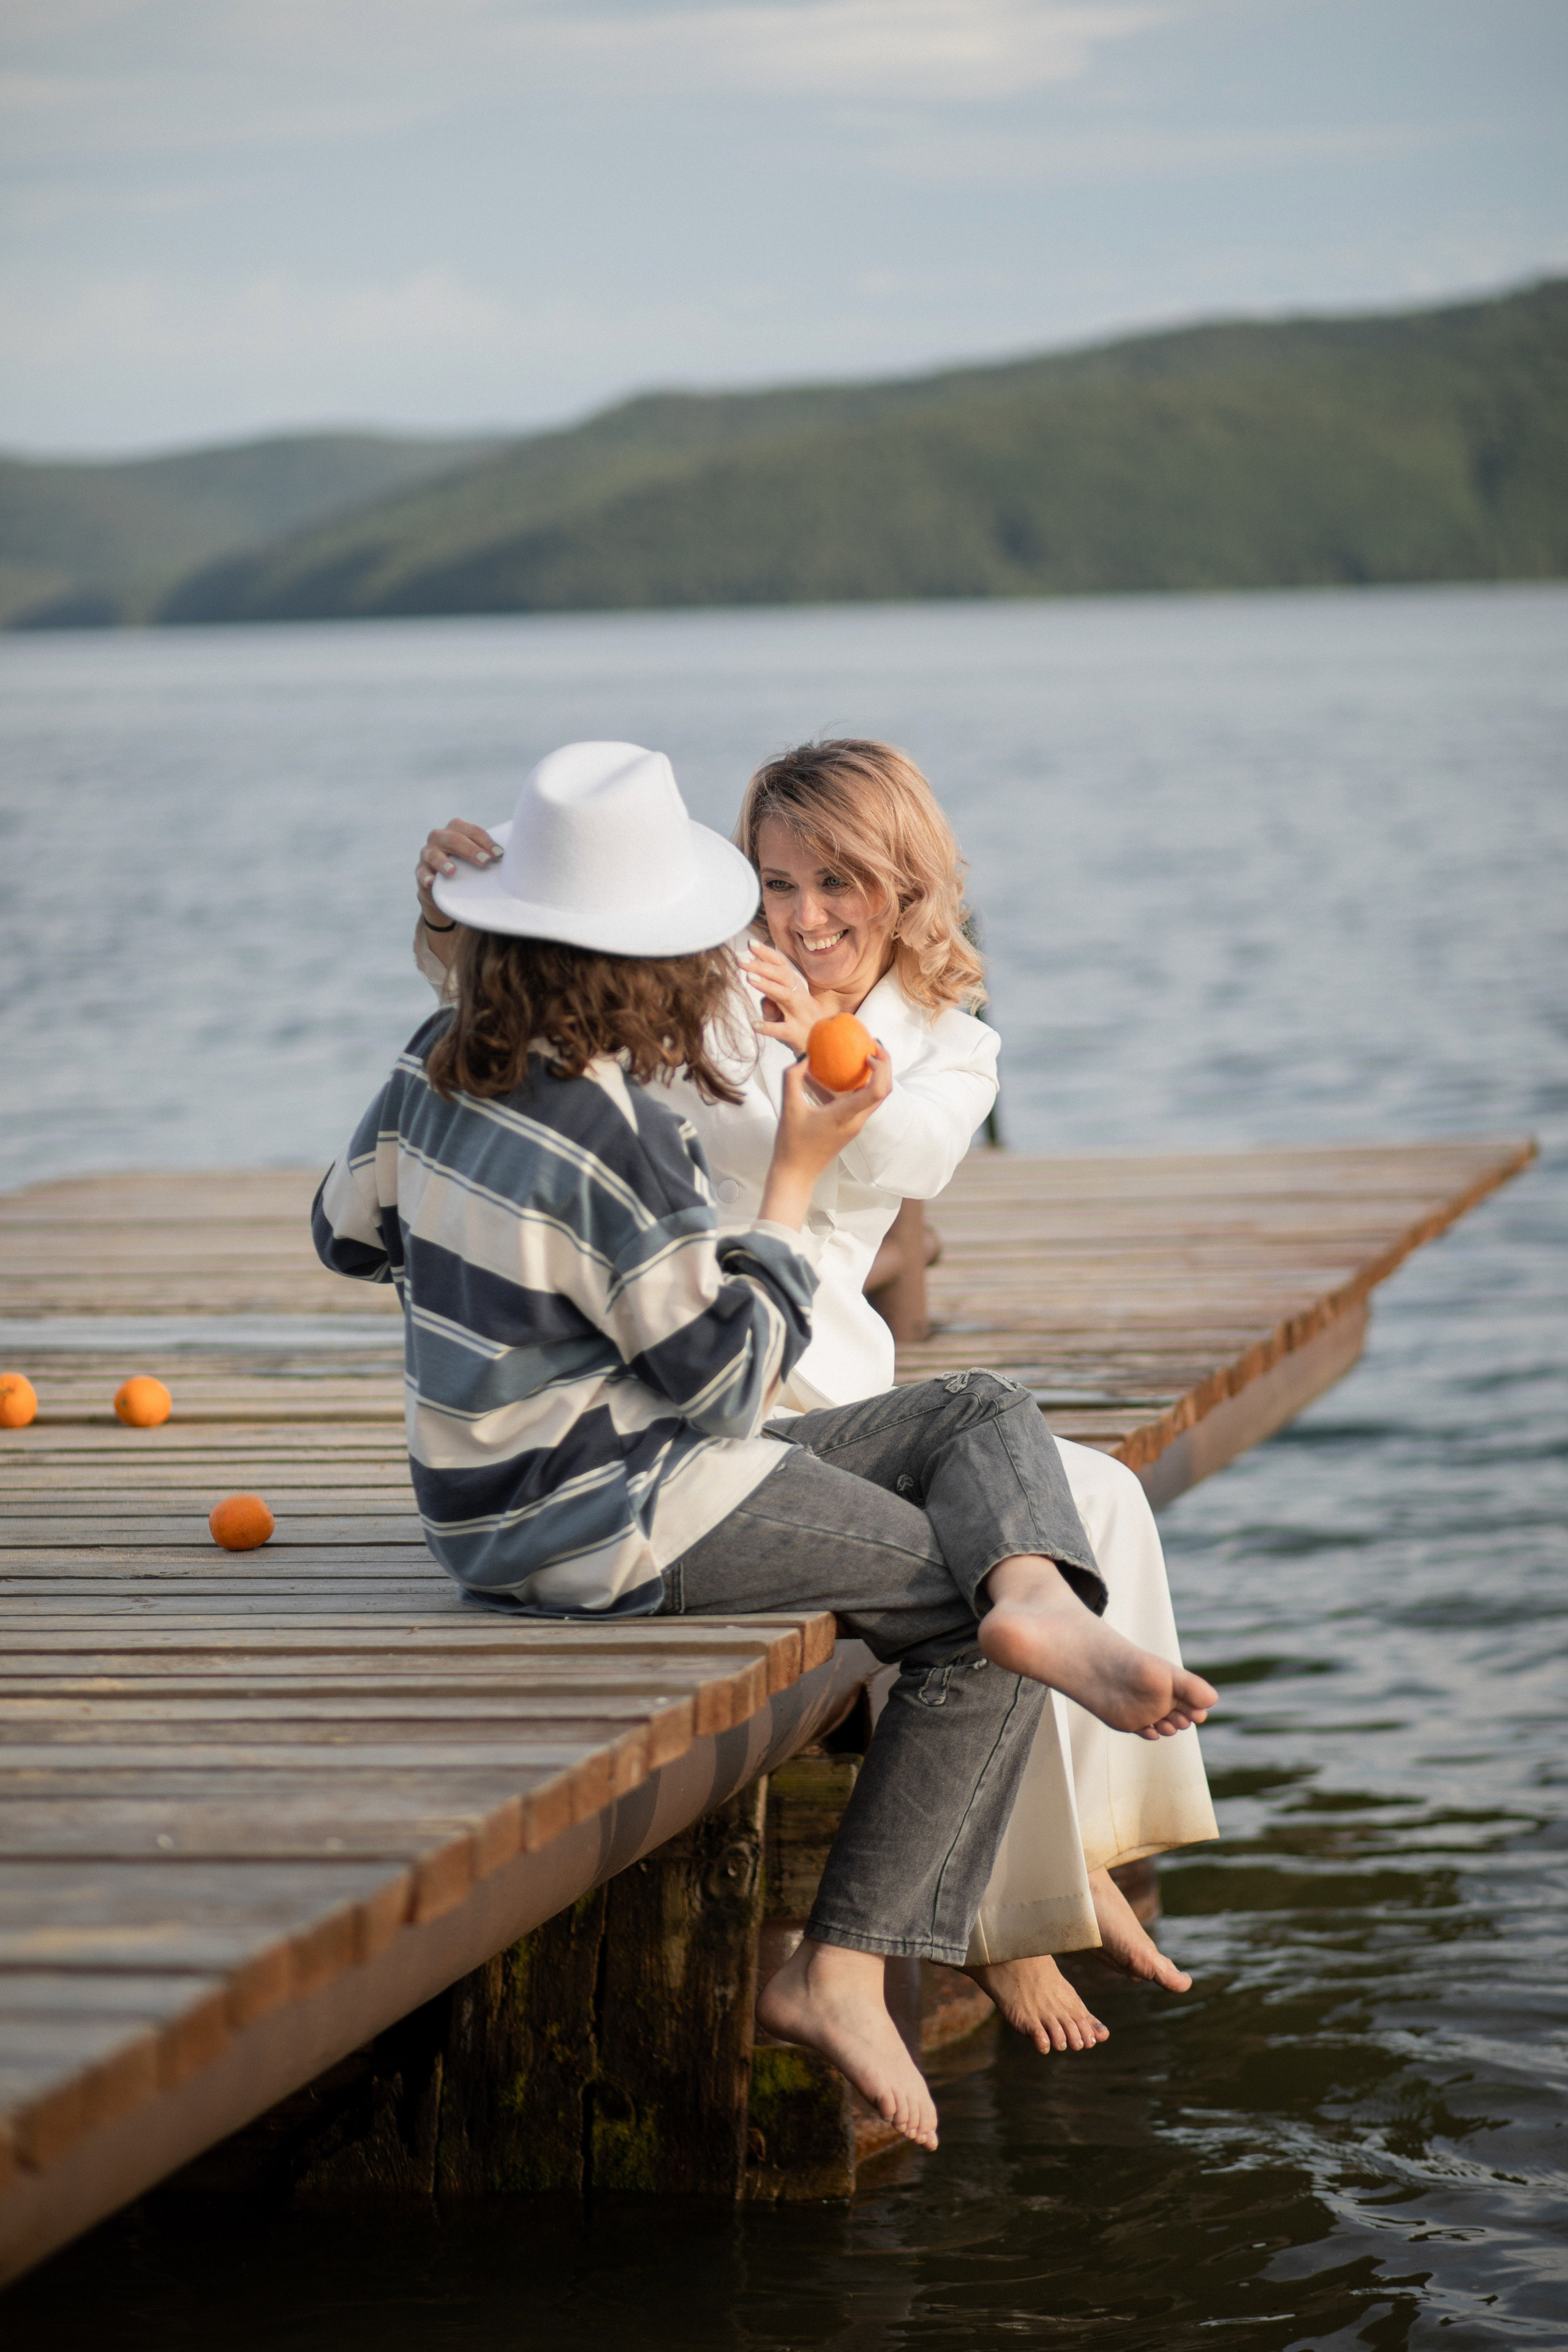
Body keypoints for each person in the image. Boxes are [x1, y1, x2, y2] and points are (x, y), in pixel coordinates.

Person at [318, 739, 1215, 2152]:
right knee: (968, 1602)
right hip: (658, 1456)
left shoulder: (444, 1069)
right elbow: (715, 1365)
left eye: (833, 883)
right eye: (769, 885)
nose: (790, 918)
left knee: (1026, 1456)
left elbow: (353, 1220)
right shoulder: (654, 1070)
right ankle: (907, 1936)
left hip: (595, 1453)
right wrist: (782, 1166)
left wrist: (792, 1064)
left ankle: (1045, 1805)